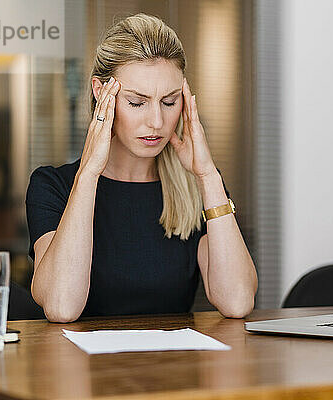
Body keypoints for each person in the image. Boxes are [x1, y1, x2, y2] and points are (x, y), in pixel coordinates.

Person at [25, 13, 258, 323]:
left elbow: (238, 300)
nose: (157, 122)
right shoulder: (53, 186)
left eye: (170, 101)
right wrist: (90, 174)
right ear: (100, 92)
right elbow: (61, 306)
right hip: (82, 368)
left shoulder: (194, 189)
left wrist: (207, 175)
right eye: (137, 102)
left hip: (171, 368)